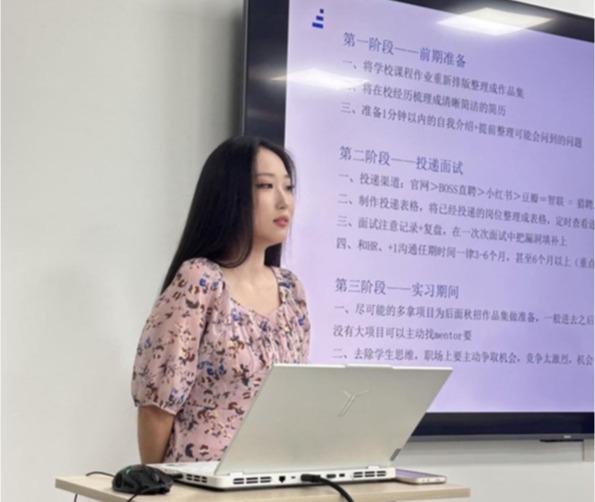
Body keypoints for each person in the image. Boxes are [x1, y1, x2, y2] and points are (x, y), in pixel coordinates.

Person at [131, 136, 311, 464]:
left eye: (288, 187)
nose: (284, 201)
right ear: (229, 194)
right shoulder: (200, 279)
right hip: (199, 482)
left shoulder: (291, 289)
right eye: (266, 186)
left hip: (274, 476)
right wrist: (159, 484)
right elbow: (157, 406)